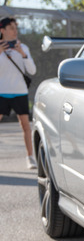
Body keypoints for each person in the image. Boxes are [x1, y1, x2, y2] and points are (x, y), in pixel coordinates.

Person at [0, 17, 37, 169]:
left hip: (20, 92)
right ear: (2, 30)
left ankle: (30, 157)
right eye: (11, 28)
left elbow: (32, 71)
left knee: (26, 127)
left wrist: (22, 54)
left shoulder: (24, 48)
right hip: (1, 93)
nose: (15, 31)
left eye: (16, 27)